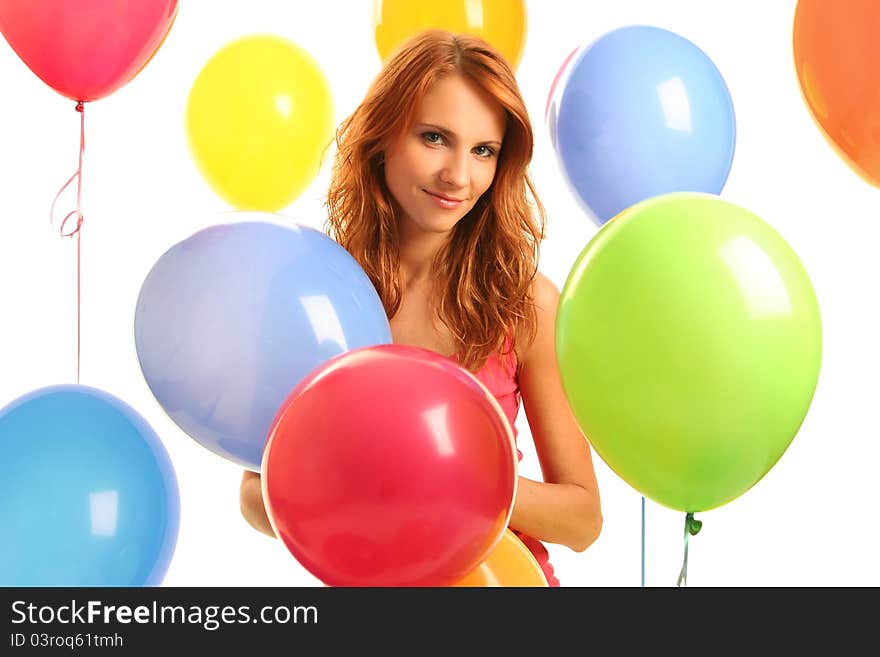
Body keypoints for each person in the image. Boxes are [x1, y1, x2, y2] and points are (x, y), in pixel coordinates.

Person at [240, 29, 602, 586]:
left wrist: (457, 484)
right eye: (435, 138)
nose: (459, 175)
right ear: (382, 138)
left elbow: (581, 519)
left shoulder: (522, 302)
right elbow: (253, 493)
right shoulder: (318, 293)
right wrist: (359, 501)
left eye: (484, 150)